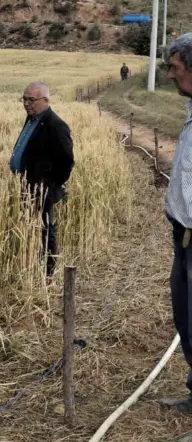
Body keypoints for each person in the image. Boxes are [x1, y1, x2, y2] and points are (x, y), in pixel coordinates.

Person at [157, 34, 192, 439]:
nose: (169, 74)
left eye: (174, 67)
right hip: (182, 237)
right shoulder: (190, 109)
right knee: (186, 320)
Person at [9, 81, 74, 278]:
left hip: (42, 189)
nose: (26, 103)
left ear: (45, 100)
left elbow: (67, 162)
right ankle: (32, 263)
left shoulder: (56, 125)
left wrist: (49, 184)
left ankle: (48, 273)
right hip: (26, 185)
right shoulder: (32, 119)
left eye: (31, 100)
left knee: (46, 228)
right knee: (32, 226)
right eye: (24, 99)